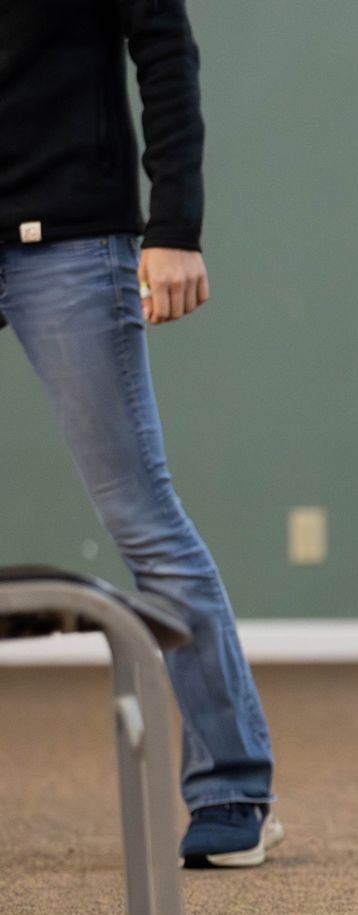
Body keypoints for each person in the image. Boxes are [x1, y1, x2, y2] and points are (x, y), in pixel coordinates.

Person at [1, 0, 283, 866]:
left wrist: (174, 227)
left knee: (141, 516)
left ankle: (233, 785)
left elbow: (165, 53)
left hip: (71, 241)